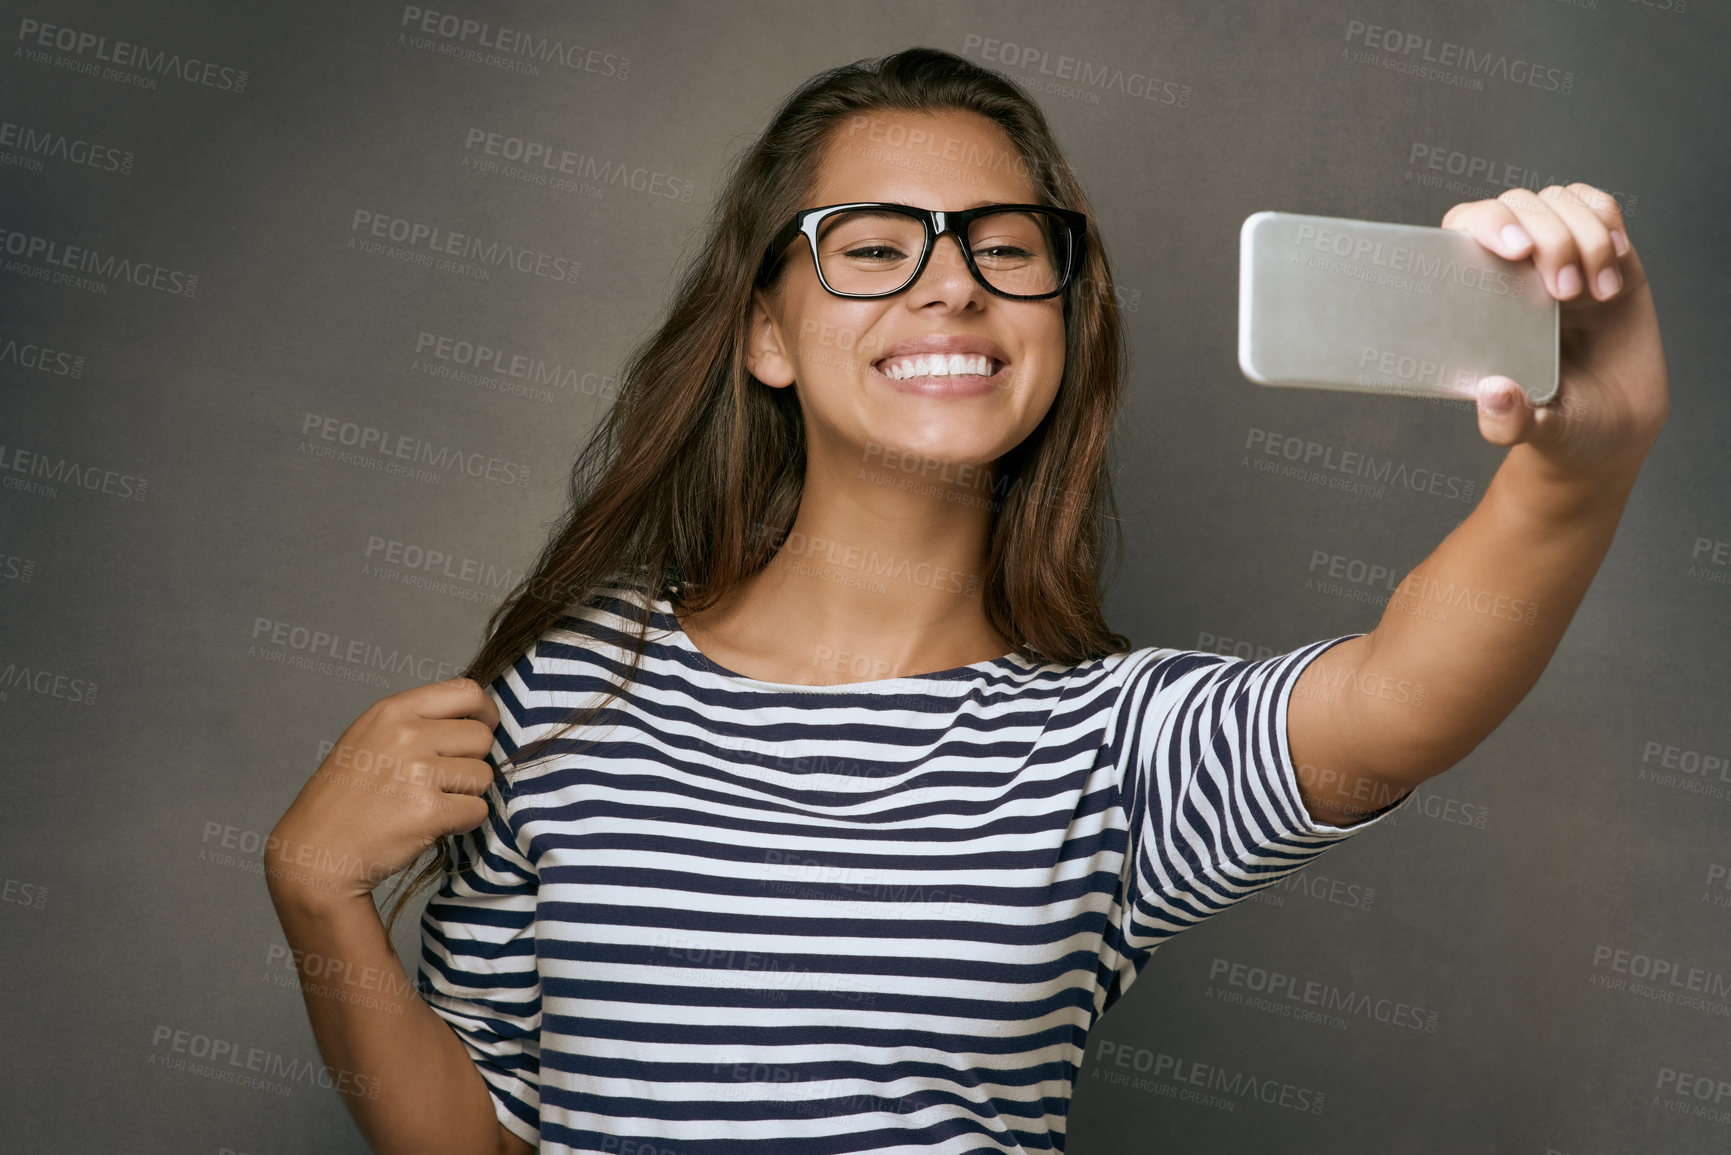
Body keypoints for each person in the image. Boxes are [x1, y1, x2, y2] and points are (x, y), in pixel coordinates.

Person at [264, 46, 1667, 1155]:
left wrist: (1577, 471)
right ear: (764, 330)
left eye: (1006, 247)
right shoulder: (568, 699)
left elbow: (1401, 702)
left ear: (1062, 318)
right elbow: (480, 1141)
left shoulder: (1103, 748)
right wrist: (319, 894)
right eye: (873, 248)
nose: (952, 288)